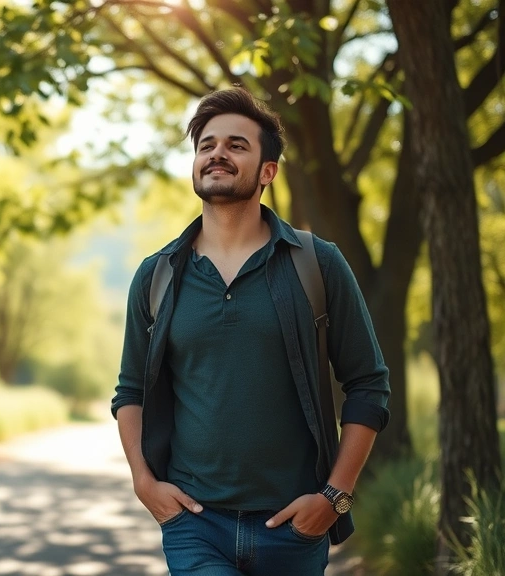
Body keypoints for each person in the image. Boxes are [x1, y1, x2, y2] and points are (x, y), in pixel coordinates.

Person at [110, 87, 390, 576]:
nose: (217, 152)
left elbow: (368, 384)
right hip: (194, 525)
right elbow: (130, 391)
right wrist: (143, 482)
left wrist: (335, 497)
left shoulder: (317, 264)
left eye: (236, 145)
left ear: (268, 171)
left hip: (294, 528)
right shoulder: (157, 276)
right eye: (207, 145)